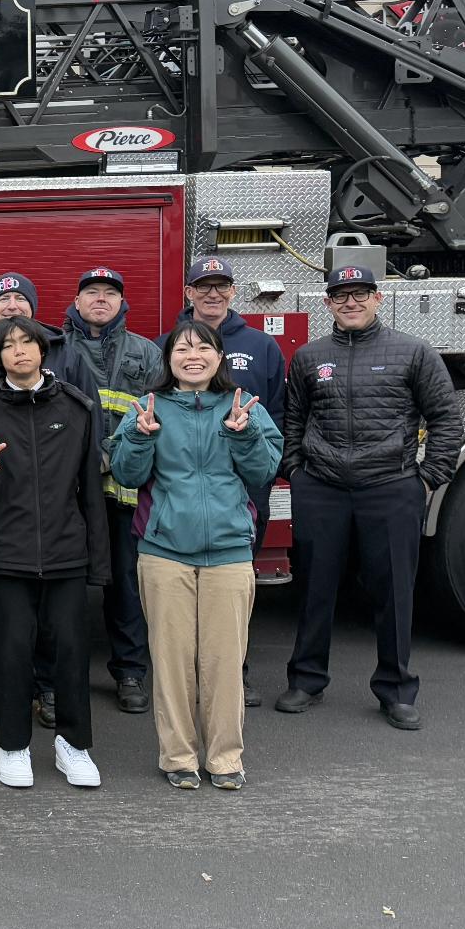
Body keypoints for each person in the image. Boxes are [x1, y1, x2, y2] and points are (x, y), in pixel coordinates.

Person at [277, 264, 459, 732]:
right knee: (315, 586)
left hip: (391, 486)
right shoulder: (308, 357)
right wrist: (296, 472)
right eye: (341, 296)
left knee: (394, 589)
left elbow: (444, 418)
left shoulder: (413, 352)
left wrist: (428, 478)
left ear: (378, 299)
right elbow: (292, 420)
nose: (351, 302)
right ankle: (307, 679)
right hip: (321, 487)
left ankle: (396, 690)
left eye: (360, 294)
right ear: (327, 304)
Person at [109, 320, 283, 790]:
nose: (193, 355)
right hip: (164, 552)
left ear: (218, 358)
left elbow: (265, 470)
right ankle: (178, 756)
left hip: (228, 553)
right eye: (182, 348)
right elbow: (125, 474)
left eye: (203, 348)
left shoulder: (243, 406)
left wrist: (244, 435)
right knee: (171, 661)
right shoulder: (146, 407)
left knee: (225, 662)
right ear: (168, 360)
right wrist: (141, 436)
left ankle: (225, 758)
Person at [0, 316, 109, 791]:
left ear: (43, 351)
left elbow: (91, 493)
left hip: (65, 553)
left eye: (27, 343)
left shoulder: (76, 408)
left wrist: (96, 562)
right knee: (12, 653)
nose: (19, 351)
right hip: (5, 555)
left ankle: (73, 747)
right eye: (8, 345)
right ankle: (13, 748)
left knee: (71, 653)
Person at [178, 255, 287, 709]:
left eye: (221, 285)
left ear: (233, 292)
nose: (212, 293)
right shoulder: (172, 343)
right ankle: (185, 679)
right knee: (181, 591)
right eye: (203, 286)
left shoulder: (262, 347)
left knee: (233, 590)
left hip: (243, 491)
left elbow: (279, 415)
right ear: (188, 293)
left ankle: (234, 674)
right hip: (183, 492)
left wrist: (267, 473)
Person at [59, 266, 165, 715]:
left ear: (122, 303)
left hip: (125, 491)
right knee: (64, 587)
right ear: (77, 301)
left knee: (125, 584)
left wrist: (115, 455)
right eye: (92, 293)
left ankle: (130, 673)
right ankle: (63, 677)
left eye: (109, 293)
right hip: (69, 491)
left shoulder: (147, 353)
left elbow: (163, 415)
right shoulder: (55, 350)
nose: (100, 299)